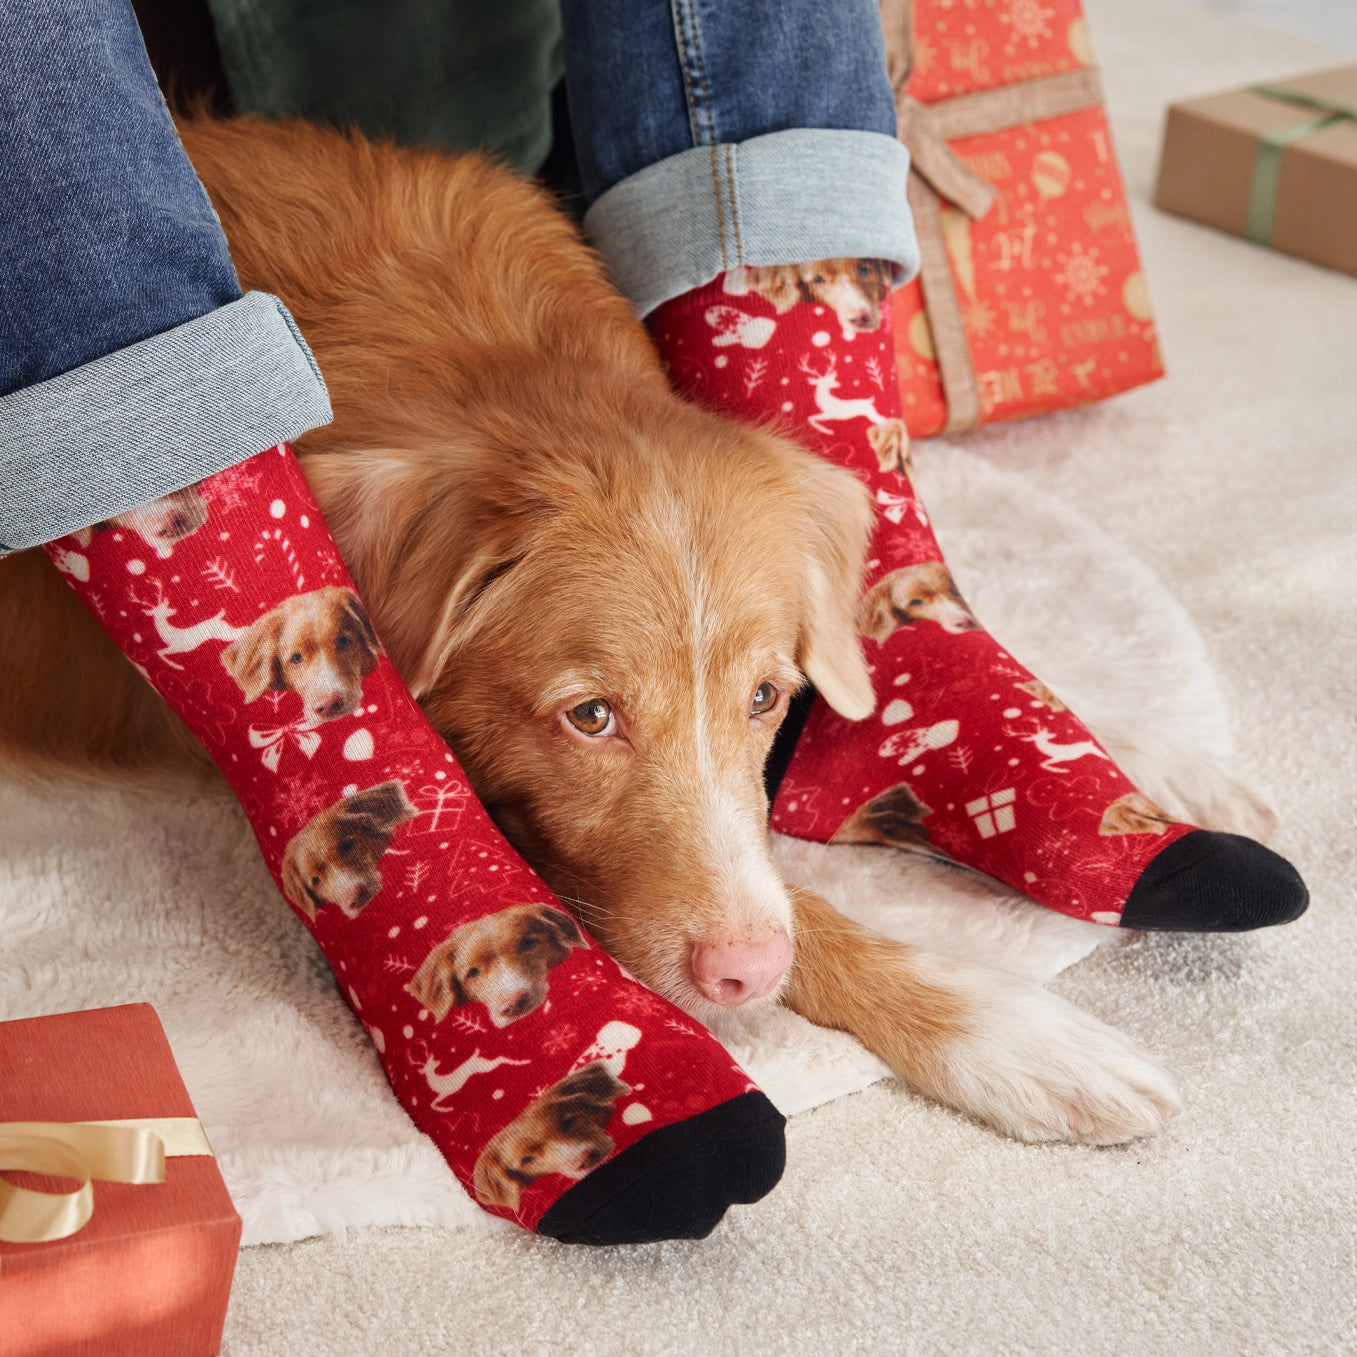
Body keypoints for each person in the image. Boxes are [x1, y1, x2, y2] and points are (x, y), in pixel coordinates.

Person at [0, 0, 1305, 1243]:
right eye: (589, 711)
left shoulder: (660, 436)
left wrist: (739, 660)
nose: (742, 935)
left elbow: (676, 560)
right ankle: (344, 775)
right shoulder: (394, 534)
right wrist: (875, 982)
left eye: (766, 695)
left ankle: (897, 626)